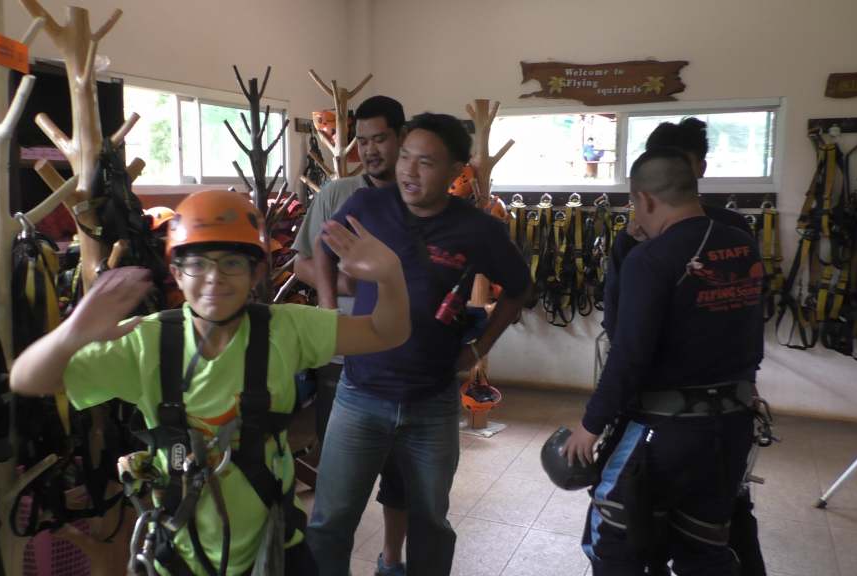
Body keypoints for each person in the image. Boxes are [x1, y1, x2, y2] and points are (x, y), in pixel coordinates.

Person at [10, 189, 411, 575]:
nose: (214, 277)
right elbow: (27, 379)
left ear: (256, 272)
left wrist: (391, 276)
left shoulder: (287, 329)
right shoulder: (147, 342)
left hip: (274, 549)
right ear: (176, 274)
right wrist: (74, 331)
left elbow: (386, 333)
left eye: (232, 263)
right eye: (197, 263)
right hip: (180, 555)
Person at [306, 113, 531, 575]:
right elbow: (323, 251)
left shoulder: (478, 229)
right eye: (405, 157)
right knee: (330, 521)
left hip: (432, 400)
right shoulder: (369, 205)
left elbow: (521, 289)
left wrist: (479, 348)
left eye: (425, 162)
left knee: (431, 521)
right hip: (360, 394)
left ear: (456, 172)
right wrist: (330, 312)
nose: (409, 171)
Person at [566, 148, 764, 575]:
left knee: (612, 535)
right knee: (705, 543)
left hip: (664, 431)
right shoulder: (742, 245)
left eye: (635, 204)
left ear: (646, 200)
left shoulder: (651, 259)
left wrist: (590, 425)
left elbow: (629, 355)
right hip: (732, 426)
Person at [292, 95, 411, 575]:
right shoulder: (336, 194)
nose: (370, 150)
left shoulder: (420, 194)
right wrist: (339, 294)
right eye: (362, 141)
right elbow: (301, 261)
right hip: (343, 359)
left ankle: (392, 559)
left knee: (400, 480)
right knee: (336, 480)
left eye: (379, 138)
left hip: (405, 359)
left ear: (401, 136)